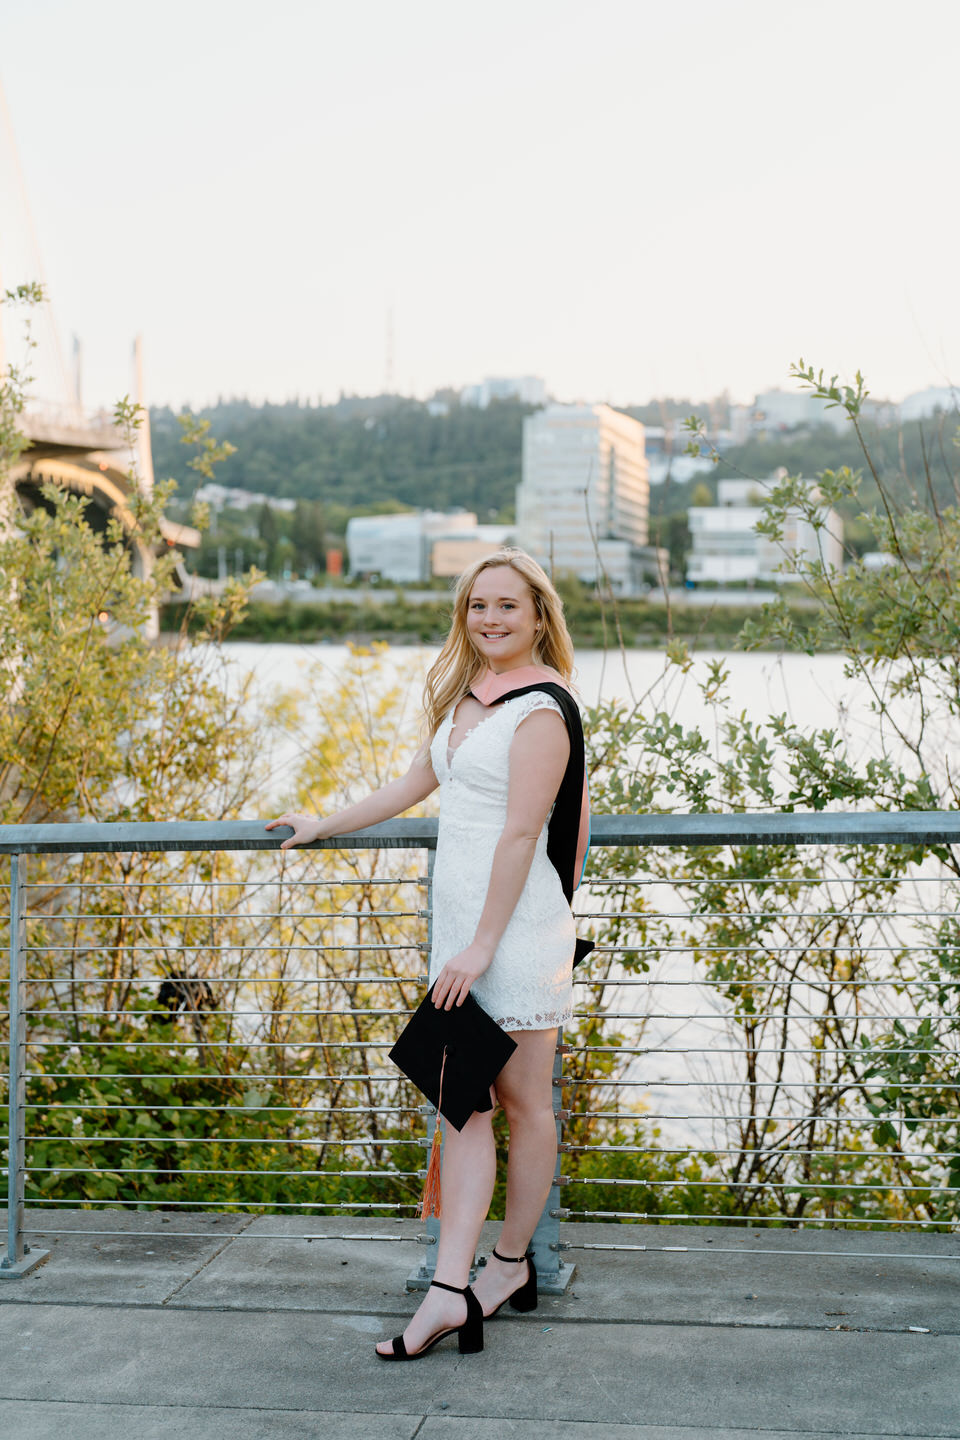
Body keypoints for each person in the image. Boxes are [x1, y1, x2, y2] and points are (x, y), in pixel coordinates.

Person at [266, 547, 586, 1360]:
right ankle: (452, 1287)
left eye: (508, 606)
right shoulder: (466, 699)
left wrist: (482, 947)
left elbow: (522, 834)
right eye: (478, 606)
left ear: (539, 615)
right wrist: (320, 824)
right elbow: (412, 785)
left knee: (522, 1106)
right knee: (461, 1105)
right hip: (463, 936)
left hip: (511, 937)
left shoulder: (543, 709)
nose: (491, 619)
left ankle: (507, 1266)